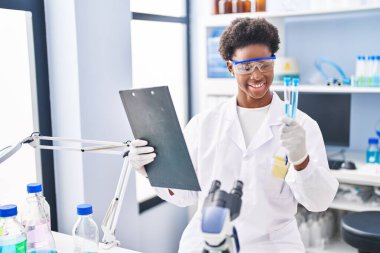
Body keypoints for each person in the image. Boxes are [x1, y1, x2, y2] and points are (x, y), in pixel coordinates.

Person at [128, 18, 339, 253]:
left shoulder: (302, 126)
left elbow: (319, 202)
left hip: (272, 245)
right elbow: (184, 196)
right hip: (208, 240)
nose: (257, 75)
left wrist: (302, 161)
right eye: (246, 67)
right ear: (230, 68)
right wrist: (150, 169)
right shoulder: (203, 124)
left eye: (265, 64)